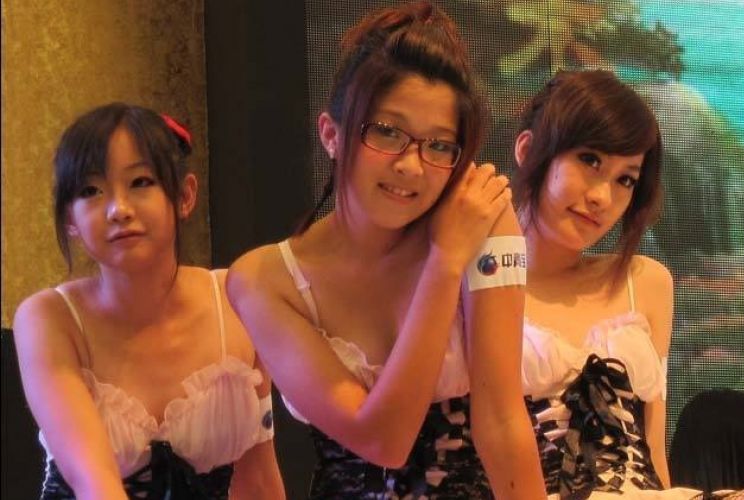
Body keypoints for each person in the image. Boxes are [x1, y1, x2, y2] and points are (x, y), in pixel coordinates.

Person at [226, 2, 546, 498]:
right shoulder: (264, 279)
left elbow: (503, 421)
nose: (411, 166)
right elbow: (383, 440)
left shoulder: (483, 219)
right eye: (388, 132)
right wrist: (444, 261)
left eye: (439, 145)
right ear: (331, 135)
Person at [12, 103, 285, 499]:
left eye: (140, 182)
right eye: (91, 191)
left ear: (185, 195)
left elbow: (258, 478)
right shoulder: (48, 319)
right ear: (70, 219)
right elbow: (94, 481)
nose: (118, 210)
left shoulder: (237, 298)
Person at [512, 69, 716, 499]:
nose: (603, 198)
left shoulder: (646, 282)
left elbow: (652, 451)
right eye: (590, 160)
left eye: (626, 179)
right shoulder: (476, 282)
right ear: (529, 151)